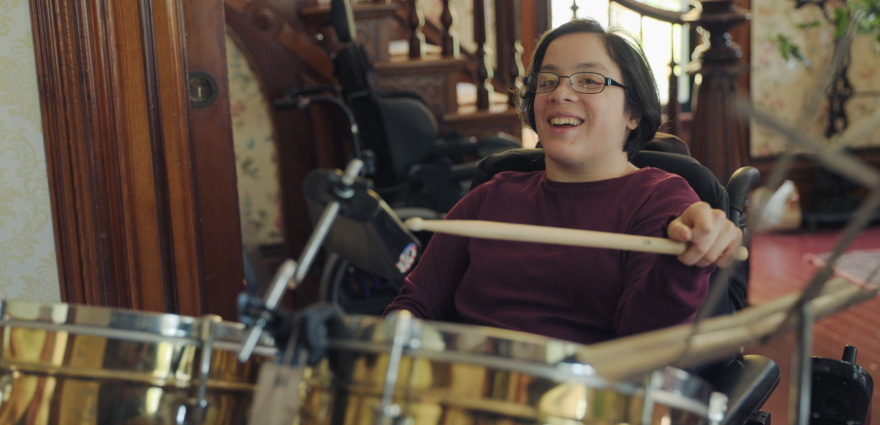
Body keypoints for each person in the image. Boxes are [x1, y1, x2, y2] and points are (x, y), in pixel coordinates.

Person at [383, 19, 742, 345]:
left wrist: (683, 262)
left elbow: (645, 344)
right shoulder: (490, 196)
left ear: (633, 112)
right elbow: (416, 304)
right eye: (547, 81)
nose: (560, 94)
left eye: (589, 80)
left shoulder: (661, 200)